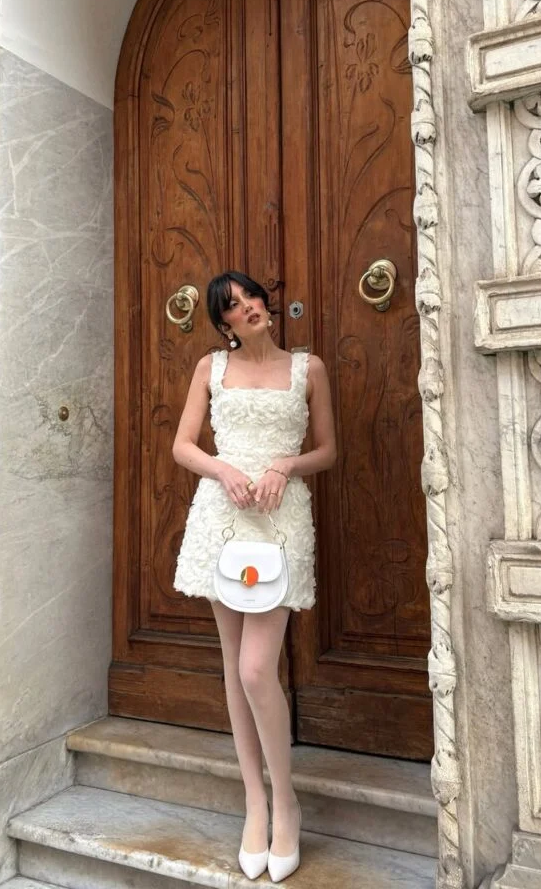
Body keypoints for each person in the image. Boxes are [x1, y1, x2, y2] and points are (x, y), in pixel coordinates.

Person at [172, 271, 337, 882]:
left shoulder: (308, 368)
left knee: (255, 669)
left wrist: (284, 465)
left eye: (251, 298)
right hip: (222, 516)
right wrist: (223, 470)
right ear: (224, 325)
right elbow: (183, 446)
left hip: (280, 517)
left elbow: (329, 451)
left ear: (265, 304)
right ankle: (255, 804)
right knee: (233, 667)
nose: (248, 308)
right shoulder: (210, 368)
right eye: (234, 307)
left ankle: (286, 801)